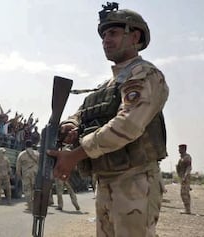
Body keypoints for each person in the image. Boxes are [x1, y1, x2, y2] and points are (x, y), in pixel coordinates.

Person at [48, 3, 169, 237]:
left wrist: (75, 155)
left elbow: (129, 124)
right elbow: (81, 113)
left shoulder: (145, 74)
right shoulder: (107, 85)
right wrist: (71, 126)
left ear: (135, 36)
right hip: (105, 181)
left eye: (113, 33)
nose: (106, 39)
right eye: (103, 35)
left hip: (135, 181)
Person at [16, 140, 39, 211]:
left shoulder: (21, 154)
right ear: (32, 146)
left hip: (26, 174)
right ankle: (35, 205)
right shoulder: (37, 154)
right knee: (35, 189)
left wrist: (19, 175)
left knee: (27, 189)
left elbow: (18, 166)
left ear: (25, 146)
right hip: (35, 173)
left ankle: (30, 206)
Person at [176, 144, 192, 214]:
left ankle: (187, 210)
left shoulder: (186, 157)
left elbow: (189, 167)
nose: (179, 150)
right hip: (182, 178)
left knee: (184, 193)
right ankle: (187, 209)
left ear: (184, 149)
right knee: (183, 193)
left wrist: (185, 176)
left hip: (185, 178)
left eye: (180, 149)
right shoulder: (181, 158)